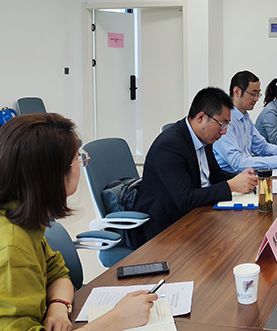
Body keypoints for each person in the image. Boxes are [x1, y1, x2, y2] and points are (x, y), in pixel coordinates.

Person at [0, 113, 158, 331]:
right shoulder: (12, 246)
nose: (82, 165)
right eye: (78, 158)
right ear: (53, 175)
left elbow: (57, 272)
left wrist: (58, 306)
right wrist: (117, 319)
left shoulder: (24, 220)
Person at [134, 87, 258, 242]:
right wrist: (231, 185)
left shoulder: (204, 138)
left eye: (227, 126)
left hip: (199, 214)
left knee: (243, 233)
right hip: (167, 229)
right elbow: (185, 199)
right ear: (201, 117)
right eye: (222, 124)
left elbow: (215, 174)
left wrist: (242, 178)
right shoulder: (169, 146)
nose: (224, 132)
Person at [214, 71, 277, 174]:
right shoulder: (224, 121)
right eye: (253, 94)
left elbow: (262, 146)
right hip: (231, 177)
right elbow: (237, 163)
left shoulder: (245, 118)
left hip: (247, 173)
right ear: (237, 92)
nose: (257, 99)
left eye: (258, 94)